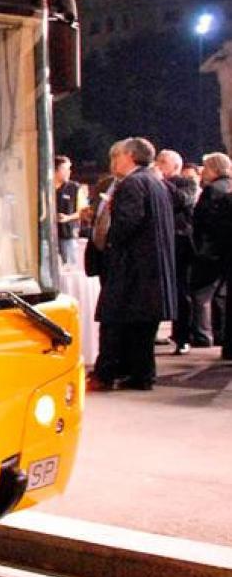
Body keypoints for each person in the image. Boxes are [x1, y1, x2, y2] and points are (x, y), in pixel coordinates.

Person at [89, 137, 175, 390]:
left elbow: (127, 223)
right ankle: (140, 375)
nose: (113, 162)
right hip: (150, 272)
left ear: (130, 156)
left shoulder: (133, 184)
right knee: (141, 331)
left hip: (134, 271)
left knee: (118, 324)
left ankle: (112, 373)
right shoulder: (155, 183)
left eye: (117, 157)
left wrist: (109, 246)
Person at [156, 149, 204, 352]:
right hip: (160, 243)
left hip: (180, 243)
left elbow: (183, 200)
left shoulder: (186, 182)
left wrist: (163, 182)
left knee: (180, 290)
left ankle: (183, 336)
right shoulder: (153, 184)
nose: (158, 165)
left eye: (163, 162)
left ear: (175, 166)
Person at [192, 153, 232, 354]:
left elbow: (201, 222)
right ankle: (220, 334)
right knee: (222, 295)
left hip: (211, 251)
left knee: (201, 294)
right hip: (223, 251)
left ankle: (202, 335)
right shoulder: (228, 188)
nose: (203, 171)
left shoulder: (212, 191)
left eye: (206, 167)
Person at [54, 155, 86, 265]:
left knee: (69, 267)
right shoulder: (44, 188)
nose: (69, 172)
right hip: (48, 237)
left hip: (67, 236)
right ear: (55, 170)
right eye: (65, 169)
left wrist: (68, 218)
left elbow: (84, 211)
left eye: (69, 169)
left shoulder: (75, 188)